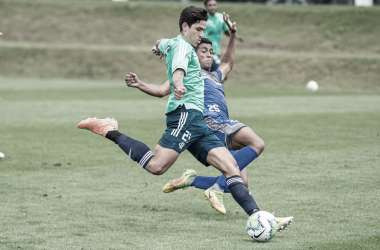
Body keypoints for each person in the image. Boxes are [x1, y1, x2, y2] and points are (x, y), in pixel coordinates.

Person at [79, 6, 261, 222]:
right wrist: (178, 84)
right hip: (185, 115)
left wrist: (158, 47)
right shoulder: (184, 49)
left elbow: (160, 41)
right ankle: (109, 129)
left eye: (204, 29)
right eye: (199, 29)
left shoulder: (177, 47)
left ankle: (258, 217)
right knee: (157, 166)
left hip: (198, 123)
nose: (202, 35)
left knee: (232, 168)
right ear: (185, 27)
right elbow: (178, 72)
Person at [125, 12, 293, 231]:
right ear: (194, 52)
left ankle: (195, 181)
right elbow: (163, 88)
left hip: (221, 123)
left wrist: (232, 34)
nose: (209, 55)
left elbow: (228, 63)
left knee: (240, 182)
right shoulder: (187, 69)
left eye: (211, 52)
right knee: (256, 144)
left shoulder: (214, 76)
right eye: (204, 50)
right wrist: (144, 83)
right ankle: (227, 196)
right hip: (207, 123)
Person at [203, 0, 244, 72]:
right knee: (221, 72)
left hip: (216, 50)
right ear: (206, 6)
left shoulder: (221, 17)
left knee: (212, 76)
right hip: (205, 51)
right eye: (210, 5)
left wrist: (236, 36)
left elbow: (226, 31)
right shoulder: (202, 18)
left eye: (214, 5)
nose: (212, 7)